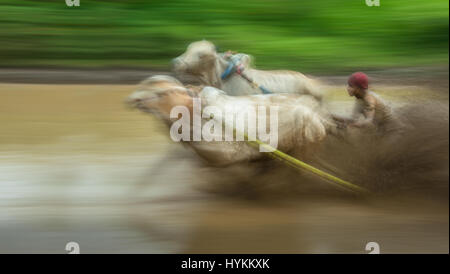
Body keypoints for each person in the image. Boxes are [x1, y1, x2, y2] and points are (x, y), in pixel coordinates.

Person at [332, 72, 399, 134]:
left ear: (358, 88)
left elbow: (369, 122)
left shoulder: (369, 99)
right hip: (383, 130)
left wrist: (350, 125)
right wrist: (331, 116)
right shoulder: (360, 98)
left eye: (351, 86)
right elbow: (352, 119)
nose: (347, 88)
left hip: (394, 130)